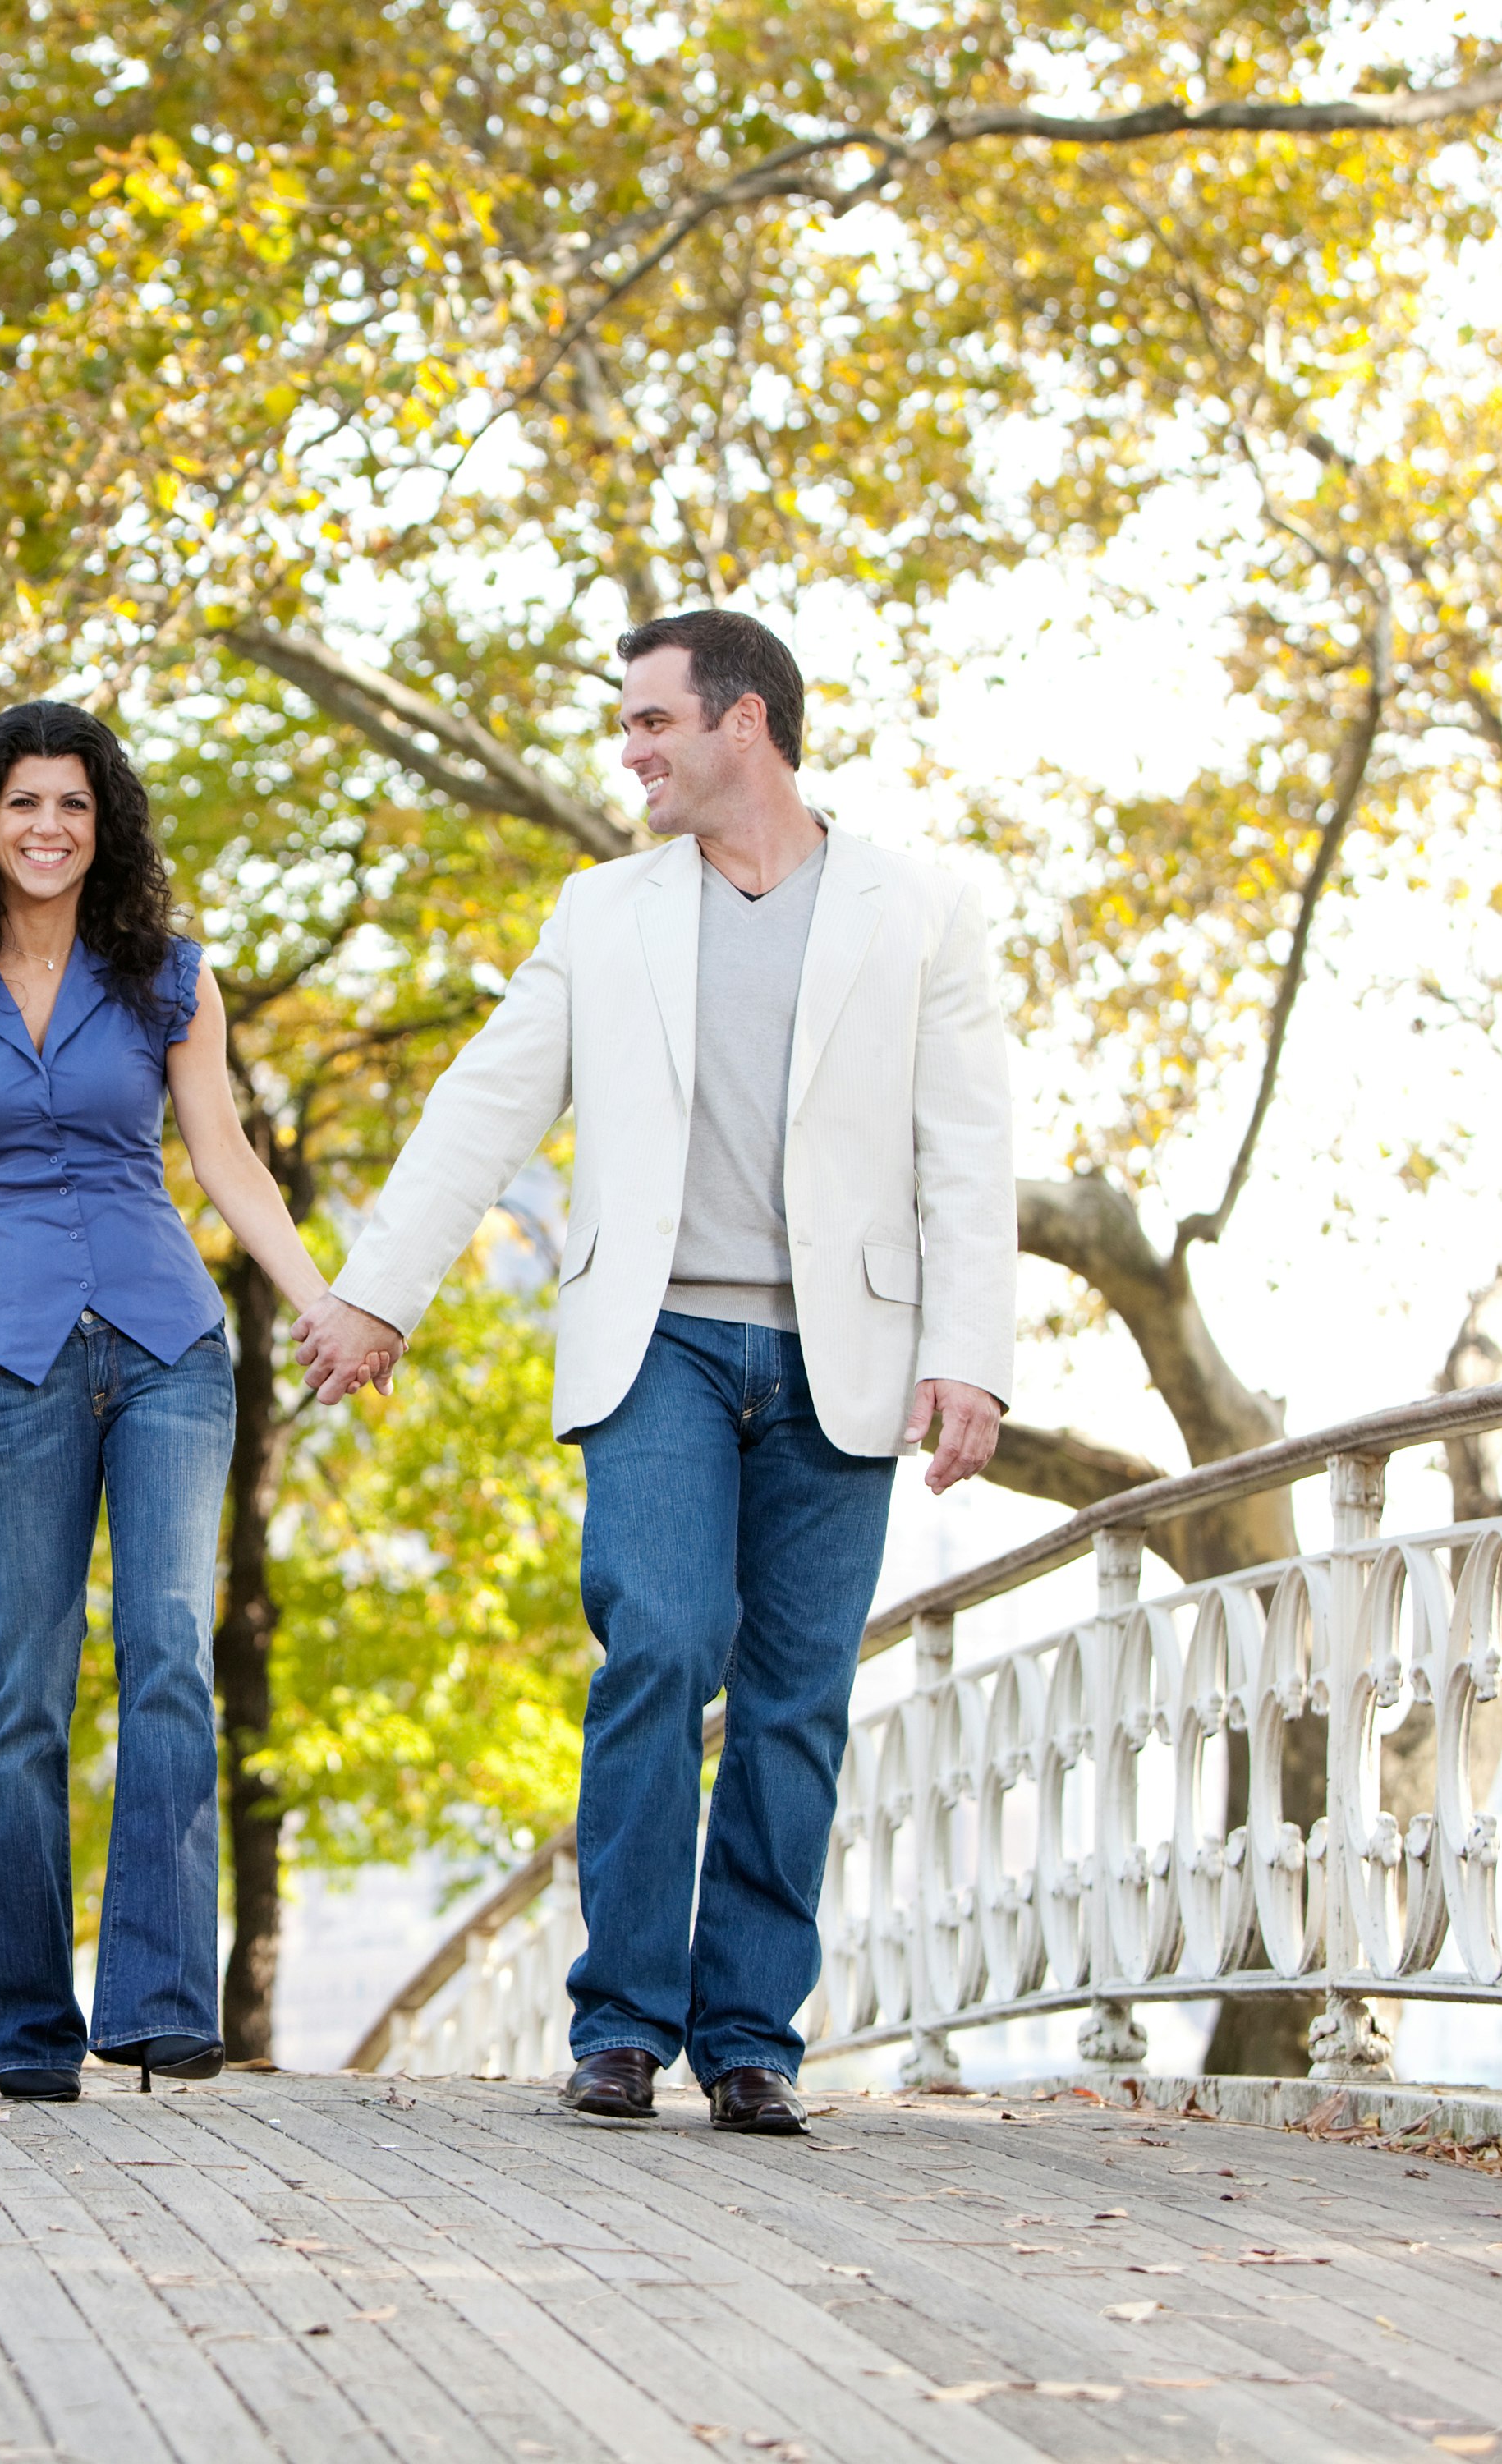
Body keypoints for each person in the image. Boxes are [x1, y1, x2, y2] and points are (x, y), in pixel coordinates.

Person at [292, 612, 1013, 2133]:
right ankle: (623, 2019)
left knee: (798, 1698)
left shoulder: (916, 910)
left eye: (649, 723)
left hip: (843, 1352)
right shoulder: (605, 913)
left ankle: (752, 2035)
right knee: (663, 1644)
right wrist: (376, 1296)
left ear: (742, 723)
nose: (629, 754)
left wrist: (971, 1361)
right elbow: (487, 1102)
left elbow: (966, 1151)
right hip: (660, 1343)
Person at [0, 700, 339, 2103]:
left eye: (74, 806)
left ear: (104, 824)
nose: (48, 829)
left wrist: (322, 1299)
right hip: (12, 1363)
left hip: (166, 1349)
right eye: (24, 805)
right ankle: (27, 2029)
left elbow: (226, 1160)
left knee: (165, 1651)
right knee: (27, 1688)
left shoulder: (166, 981)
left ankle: (157, 2001)